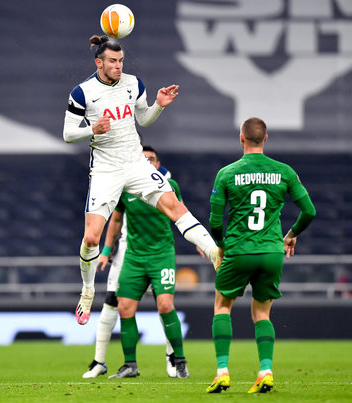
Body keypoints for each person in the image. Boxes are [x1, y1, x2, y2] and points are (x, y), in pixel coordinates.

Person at [62, 35, 221, 326]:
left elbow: (144, 120)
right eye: (112, 61)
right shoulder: (83, 93)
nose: (118, 66)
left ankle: (214, 253)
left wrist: (159, 105)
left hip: (135, 163)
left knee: (173, 205)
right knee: (91, 238)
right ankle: (87, 290)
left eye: (121, 60)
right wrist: (92, 129)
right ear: (99, 62)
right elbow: (68, 134)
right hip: (106, 170)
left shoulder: (134, 83)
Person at [205, 117, 316, 394]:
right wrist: (290, 235)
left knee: (222, 307)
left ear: (241, 138)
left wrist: (220, 245)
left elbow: (216, 222)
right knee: (262, 314)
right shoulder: (284, 172)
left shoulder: (227, 174)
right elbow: (310, 211)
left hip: (239, 251)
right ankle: (265, 370)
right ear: (265, 139)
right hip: (271, 252)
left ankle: (222, 372)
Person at [82, 146, 178, 379]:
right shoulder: (123, 180)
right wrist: (106, 249)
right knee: (112, 300)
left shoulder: (165, 182)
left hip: (157, 252)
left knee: (164, 304)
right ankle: (99, 361)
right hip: (127, 250)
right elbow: (115, 218)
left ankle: (173, 358)